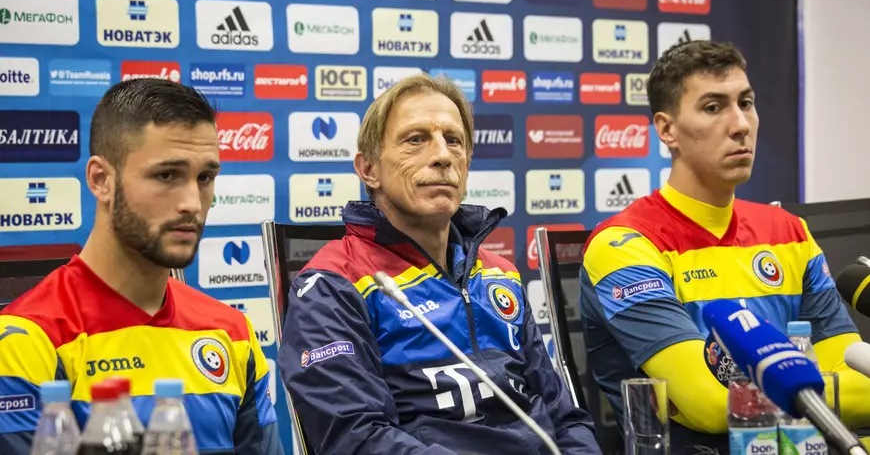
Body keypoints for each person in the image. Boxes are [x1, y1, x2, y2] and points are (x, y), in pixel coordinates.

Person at [276, 74, 601, 454]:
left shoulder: (500, 274)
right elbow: (358, 438)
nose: (443, 155)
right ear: (369, 170)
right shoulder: (333, 284)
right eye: (416, 140)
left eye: (454, 140)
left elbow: (565, 416)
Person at [578, 40, 870, 453]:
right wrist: (805, 383)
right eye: (713, 107)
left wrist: (793, 385)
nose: (741, 124)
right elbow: (713, 406)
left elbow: (855, 369)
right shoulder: (625, 244)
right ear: (666, 130)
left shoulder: (789, 231)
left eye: (746, 102)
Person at [0, 78, 283, 455]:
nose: (193, 204)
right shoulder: (28, 341)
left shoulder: (234, 333)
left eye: (205, 178)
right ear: (101, 180)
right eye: (167, 175)